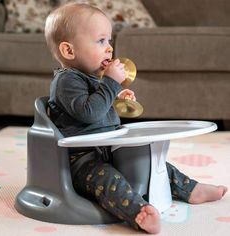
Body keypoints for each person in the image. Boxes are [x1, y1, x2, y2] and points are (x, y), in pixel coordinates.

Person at [45, 3, 227, 234]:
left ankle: (191, 189)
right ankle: (139, 212)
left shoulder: (89, 79)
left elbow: (98, 109)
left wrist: (116, 97)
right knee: (109, 180)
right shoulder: (66, 81)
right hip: (81, 161)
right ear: (69, 51)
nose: (109, 49)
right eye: (101, 41)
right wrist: (110, 84)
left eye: (109, 41)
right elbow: (88, 113)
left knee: (151, 162)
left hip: (106, 149)